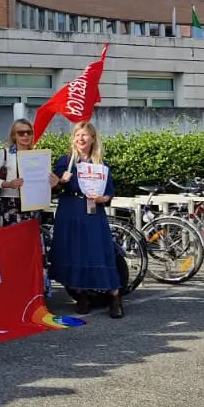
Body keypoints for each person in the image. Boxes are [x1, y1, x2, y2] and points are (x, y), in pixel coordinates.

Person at [50, 120, 123, 318]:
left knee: (99, 251)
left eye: (84, 135)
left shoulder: (100, 164)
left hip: (92, 211)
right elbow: (53, 188)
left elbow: (109, 192)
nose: (80, 138)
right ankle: (82, 295)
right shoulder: (66, 161)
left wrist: (102, 198)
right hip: (70, 210)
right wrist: (60, 181)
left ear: (92, 138)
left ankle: (114, 296)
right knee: (75, 252)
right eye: (77, 135)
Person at [0, 119, 38, 224]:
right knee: (11, 239)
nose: (25, 136)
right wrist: (8, 184)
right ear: (14, 136)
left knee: (29, 238)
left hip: (32, 203)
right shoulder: (4, 153)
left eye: (29, 132)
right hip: (10, 202)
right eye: (21, 133)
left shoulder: (37, 155)